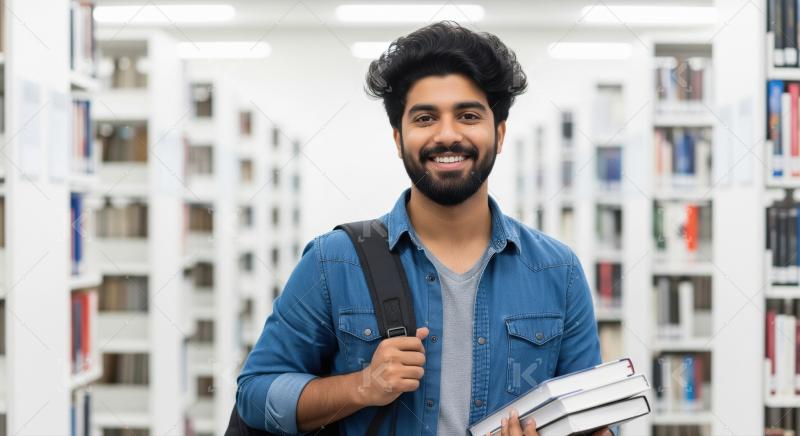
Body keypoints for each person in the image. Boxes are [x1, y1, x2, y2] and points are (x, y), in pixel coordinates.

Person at [236, 20, 611, 436]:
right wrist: (361, 386)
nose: (447, 135)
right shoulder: (332, 260)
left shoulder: (557, 271)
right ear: (398, 138)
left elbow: (594, 420)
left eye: (468, 115)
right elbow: (256, 394)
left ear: (499, 133)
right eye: (425, 118)